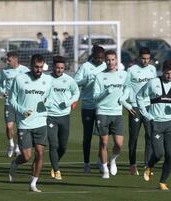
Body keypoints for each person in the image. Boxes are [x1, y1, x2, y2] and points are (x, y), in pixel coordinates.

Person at [8, 54, 53, 192]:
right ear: (31, 66)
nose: (39, 70)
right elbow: (12, 100)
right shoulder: (20, 79)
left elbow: (50, 99)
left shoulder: (48, 80)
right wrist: (22, 110)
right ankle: (15, 163)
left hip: (41, 121)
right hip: (24, 123)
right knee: (26, 156)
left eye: (41, 67)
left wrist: (47, 104)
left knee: (40, 152)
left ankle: (33, 183)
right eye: (36, 67)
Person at [137, 60, 171, 190]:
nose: (169, 76)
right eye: (166, 73)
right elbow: (139, 96)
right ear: (162, 71)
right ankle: (149, 166)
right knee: (158, 154)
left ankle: (162, 182)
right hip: (156, 123)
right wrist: (146, 114)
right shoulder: (153, 83)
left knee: (170, 155)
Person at [119, 47, 157, 175]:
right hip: (135, 108)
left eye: (148, 59)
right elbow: (126, 87)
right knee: (134, 137)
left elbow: (155, 87)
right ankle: (132, 164)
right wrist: (127, 104)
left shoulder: (152, 69)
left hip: (148, 107)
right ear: (138, 57)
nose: (145, 61)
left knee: (150, 136)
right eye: (143, 58)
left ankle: (148, 166)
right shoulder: (131, 70)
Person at [93, 50, 127, 179]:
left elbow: (128, 88)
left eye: (112, 59)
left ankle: (113, 160)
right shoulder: (100, 76)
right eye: (108, 60)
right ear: (105, 61)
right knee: (104, 143)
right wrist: (105, 93)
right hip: (102, 112)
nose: (110, 62)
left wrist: (124, 98)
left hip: (117, 113)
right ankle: (105, 169)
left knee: (119, 144)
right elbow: (95, 97)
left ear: (116, 60)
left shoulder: (123, 75)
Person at [73, 45, 106, 173]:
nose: (100, 60)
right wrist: (86, 79)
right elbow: (75, 82)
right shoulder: (85, 66)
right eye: (97, 58)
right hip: (87, 105)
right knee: (87, 136)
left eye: (102, 58)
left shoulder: (105, 66)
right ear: (93, 56)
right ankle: (86, 163)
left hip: (101, 106)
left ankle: (100, 160)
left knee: (103, 137)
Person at [47, 55, 80, 180]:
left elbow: (76, 93)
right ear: (53, 67)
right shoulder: (46, 79)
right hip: (50, 116)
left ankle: (54, 163)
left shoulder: (69, 80)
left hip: (64, 116)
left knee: (63, 147)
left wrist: (70, 102)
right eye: (57, 67)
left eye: (62, 68)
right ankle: (57, 170)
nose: (59, 70)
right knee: (53, 145)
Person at [0, 51, 30, 157]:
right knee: (9, 127)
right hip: (9, 103)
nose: (7, 62)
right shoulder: (5, 71)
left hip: (21, 103)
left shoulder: (25, 70)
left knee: (20, 127)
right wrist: (2, 91)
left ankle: (17, 147)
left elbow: (30, 82)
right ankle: (11, 144)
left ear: (15, 60)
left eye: (9, 60)